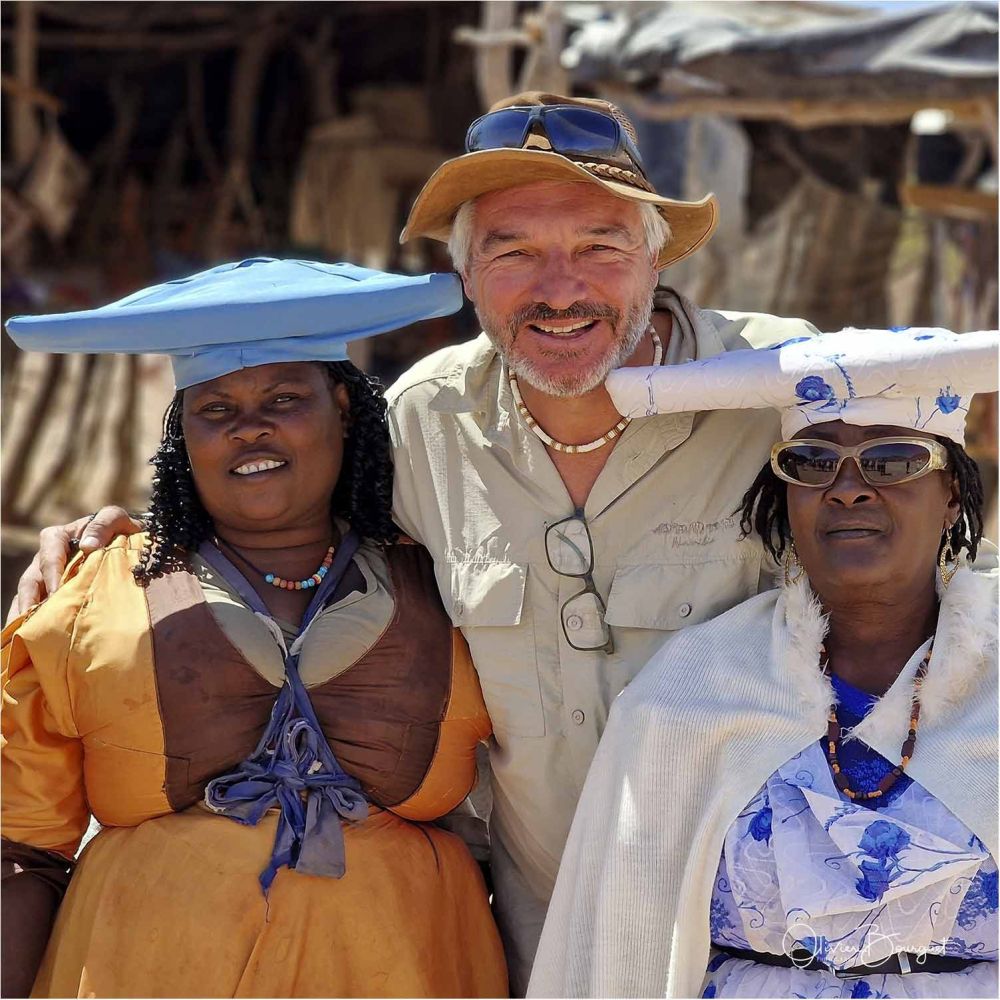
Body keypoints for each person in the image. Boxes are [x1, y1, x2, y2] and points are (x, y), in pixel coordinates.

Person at [13, 93, 978, 993]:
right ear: (467, 276)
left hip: (754, 937)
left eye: (599, 246)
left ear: (656, 260)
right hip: (535, 938)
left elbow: (924, 565)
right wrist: (123, 534)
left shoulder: (779, 389)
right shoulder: (423, 422)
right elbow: (280, 510)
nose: (560, 289)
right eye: (513, 252)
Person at [2, 259, 507, 999]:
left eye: (284, 398)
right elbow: (20, 848)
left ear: (343, 407)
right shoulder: (91, 594)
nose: (250, 429)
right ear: (183, 437)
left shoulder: (451, 585)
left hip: (408, 967)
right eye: (216, 410)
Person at [528, 327, 998, 998]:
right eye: (810, 462)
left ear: (951, 490)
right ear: (785, 494)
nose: (848, 489)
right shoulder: (690, 691)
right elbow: (621, 940)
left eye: (894, 461)